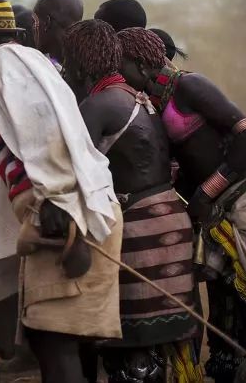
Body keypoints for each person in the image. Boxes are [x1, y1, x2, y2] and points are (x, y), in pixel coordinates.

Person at [0, 0, 123, 383]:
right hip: (76, 212)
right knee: (52, 340)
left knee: (55, 343)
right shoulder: (31, 63)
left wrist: (56, 201)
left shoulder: (6, 64)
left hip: (66, 220)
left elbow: (43, 131)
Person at [117, 27, 246, 382]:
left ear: (142, 64)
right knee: (228, 302)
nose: (118, 72)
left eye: (121, 64)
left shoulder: (190, 86)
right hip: (216, 217)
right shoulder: (148, 100)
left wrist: (205, 193)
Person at [63, 20, 199, 382]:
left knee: (134, 353)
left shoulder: (99, 105)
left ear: (78, 65)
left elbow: (74, 172)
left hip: (139, 227)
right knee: (155, 347)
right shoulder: (136, 97)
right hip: (168, 215)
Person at [32, 0, 84, 70]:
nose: (33, 28)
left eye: (35, 21)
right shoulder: (91, 59)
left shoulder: (38, 69)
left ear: (47, 22)